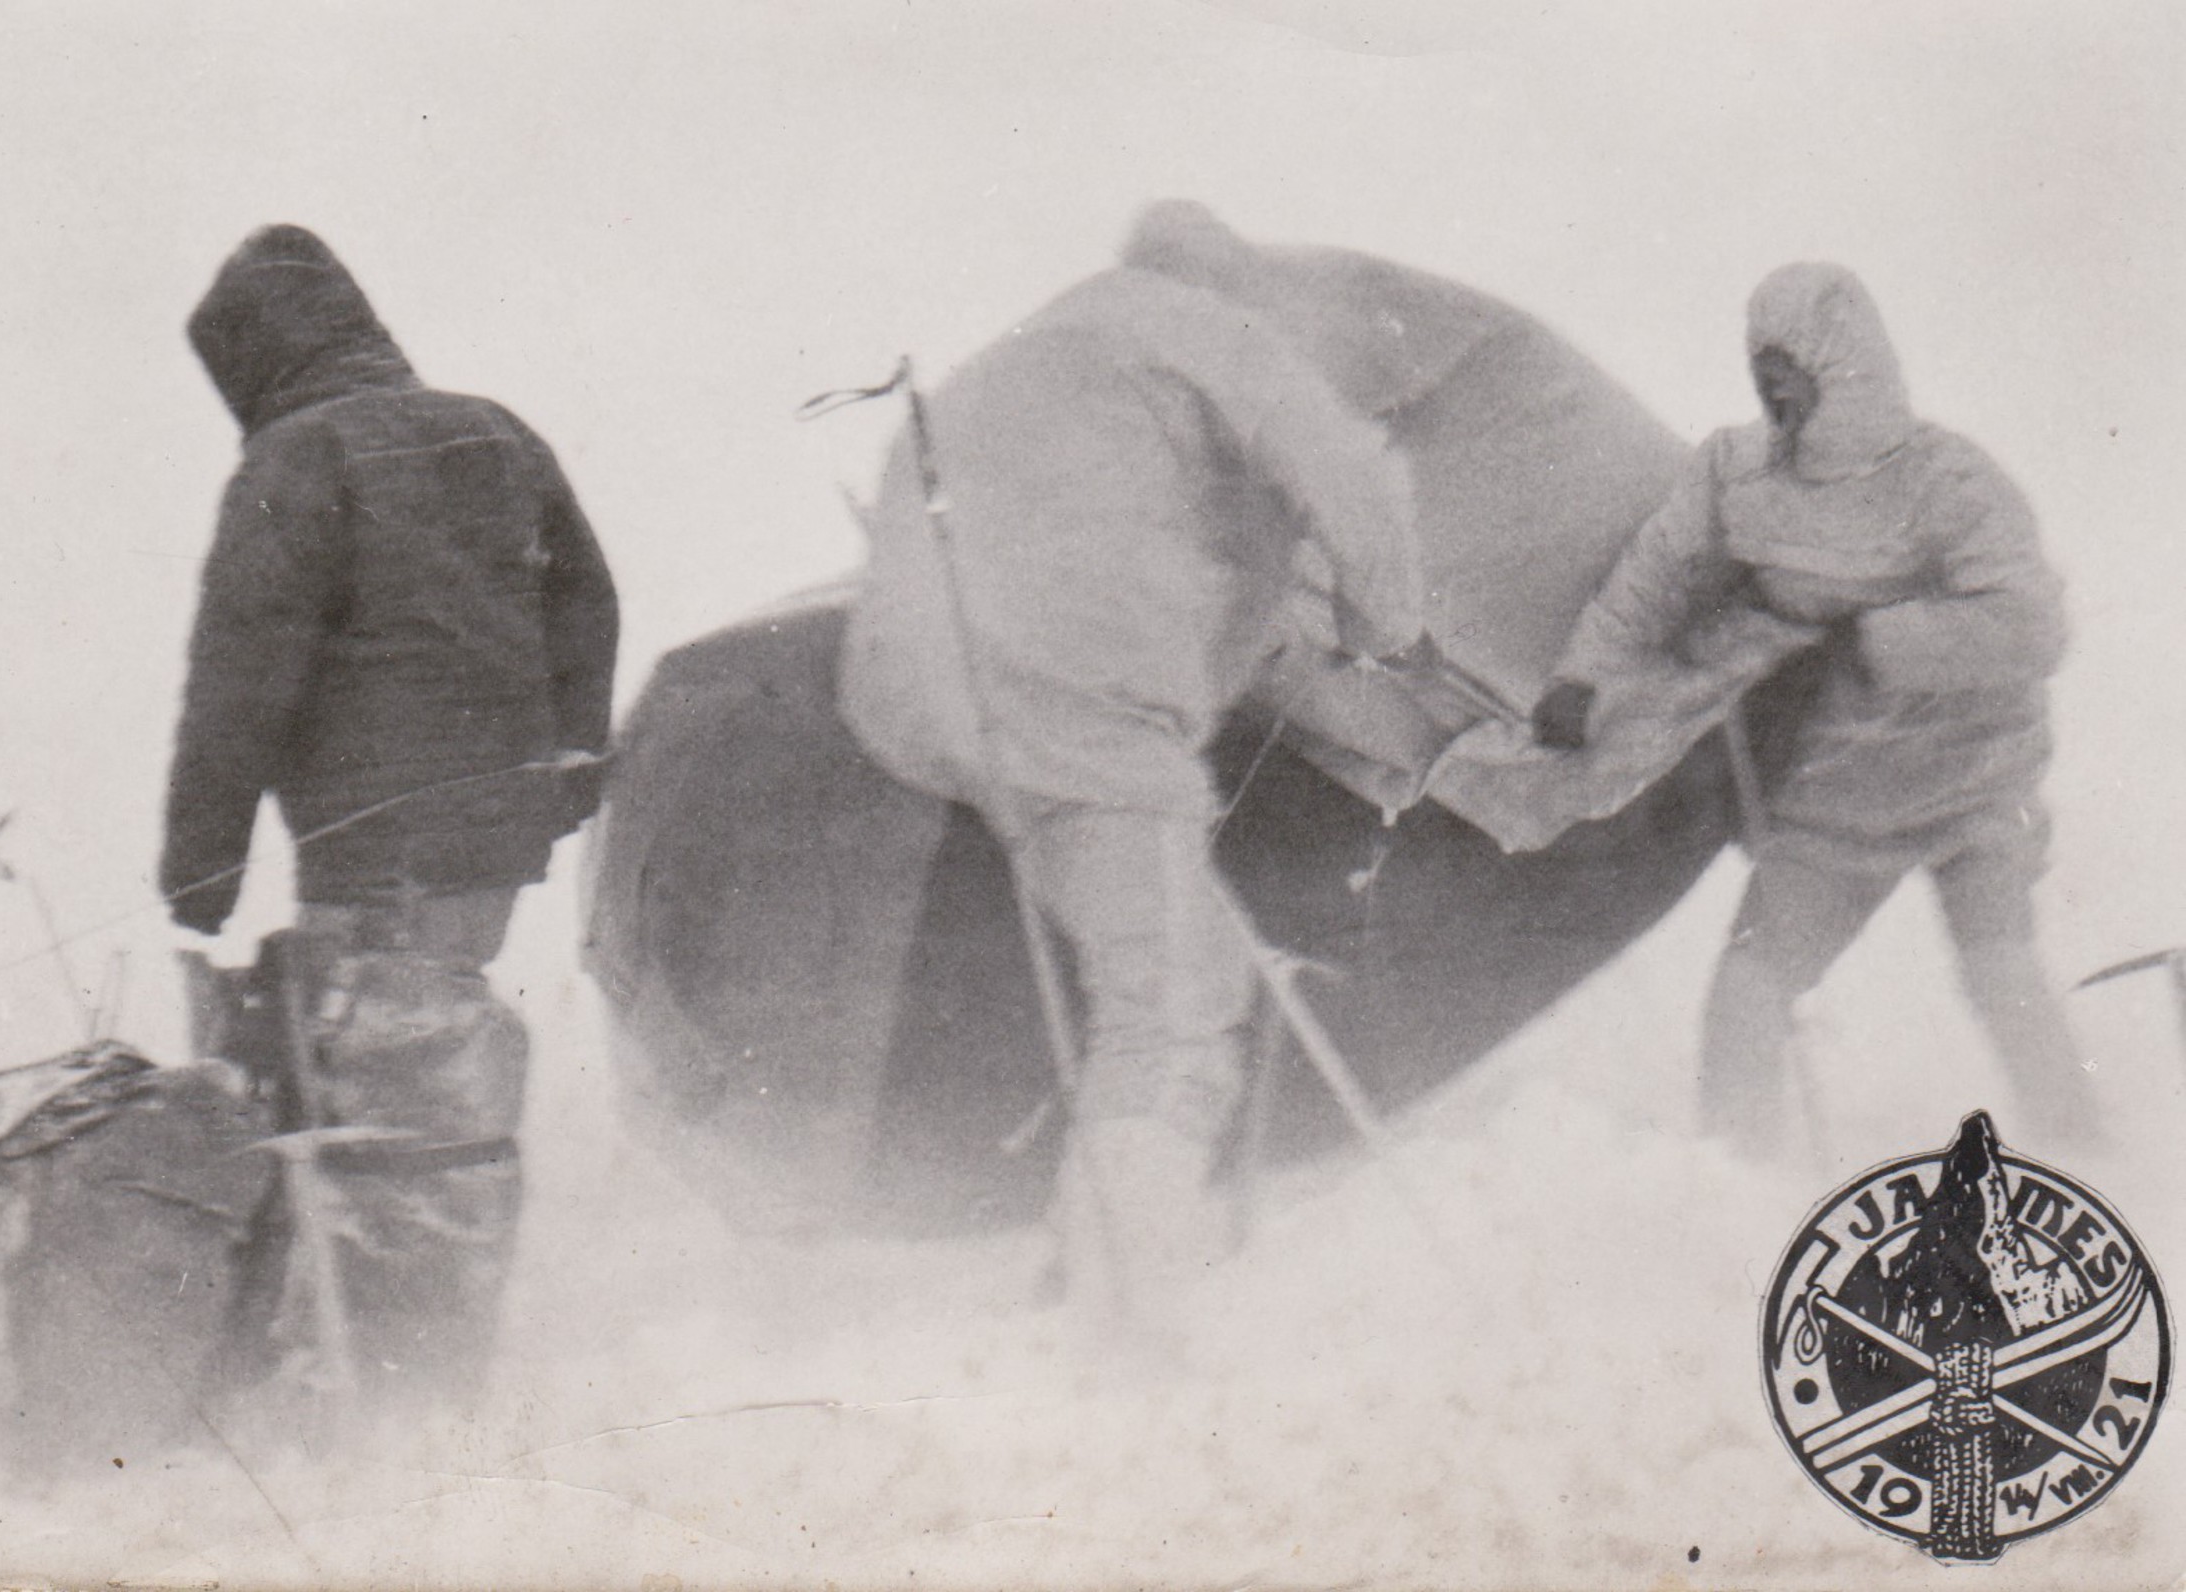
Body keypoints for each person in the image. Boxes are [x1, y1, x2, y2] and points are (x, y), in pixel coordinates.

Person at [837, 222, 1424, 1335]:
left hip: (919, 702)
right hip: (1078, 704)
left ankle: (1087, 1257)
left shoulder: (1011, 359)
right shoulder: (1201, 328)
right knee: (1174, 1008)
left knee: (1160, 965)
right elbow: (1353, 477)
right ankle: (1124, 1324)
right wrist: (1382, 623)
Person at [162, 224, 619, 1426]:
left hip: (372, 853)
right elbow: (587, 600)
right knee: (435, 1077)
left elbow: (238, 683)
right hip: (489, 851)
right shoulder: (495, 432)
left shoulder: (298, 456)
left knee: (370, 1114)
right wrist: (568, 768)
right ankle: (415, 1366)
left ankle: (385, 1398)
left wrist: (201, 870)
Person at [1533, 262, 2095, 1155]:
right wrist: (1583, 679)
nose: (1771, 391)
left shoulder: (1950, 481)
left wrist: (1871, 643)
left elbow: (2032, 625)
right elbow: (1656, 576)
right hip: (1837, 799)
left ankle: (2091, 1165)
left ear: (1845, 369)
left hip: (1973, 780)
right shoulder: (1738, 473)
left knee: (2002, 976)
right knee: (1744, 998)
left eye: (1788, 370)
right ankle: (1743, 1194)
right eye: (1761, 370)